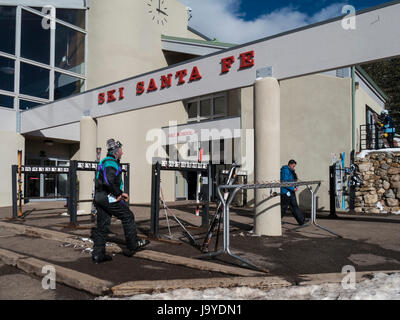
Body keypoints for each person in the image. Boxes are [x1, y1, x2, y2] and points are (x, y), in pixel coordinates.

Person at [92, 138, 149, 263]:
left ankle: (98, 254)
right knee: (128, 216)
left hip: (100, 197)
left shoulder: (104, 161)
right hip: (107, 197)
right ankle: (132, 245)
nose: (122, 153)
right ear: (116, 151)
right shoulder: (111, 162)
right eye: (121, 150)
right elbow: (109, 181)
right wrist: (119, 193)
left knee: (102, 226)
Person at [280, 159, 306, 225]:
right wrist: (292, 188)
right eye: (293, 166)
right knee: (283, 207)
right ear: (290, 164)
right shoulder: (285, 170)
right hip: (286, 192)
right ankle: (276, 220)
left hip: (291, 191)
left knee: (295, 206)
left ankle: (301, 221)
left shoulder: (291, 171)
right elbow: (284, 182)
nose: (294, 167)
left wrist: (295, 187)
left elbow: (292, 181)